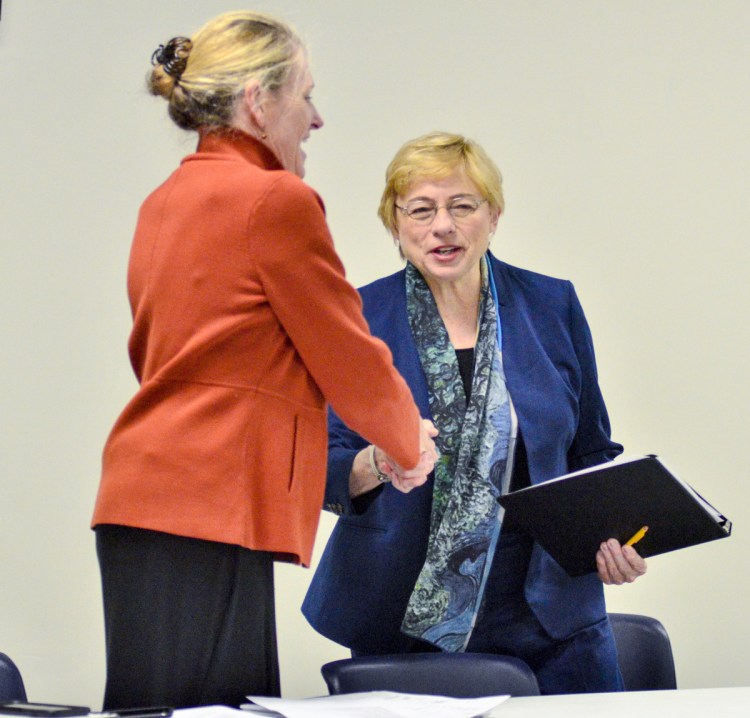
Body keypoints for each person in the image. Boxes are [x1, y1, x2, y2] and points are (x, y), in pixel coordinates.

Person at [91, 11, 436, 710]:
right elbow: (346, 350)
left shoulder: (165, 201)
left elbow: (154, 352)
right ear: (258, 101)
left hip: (158, 502)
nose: (316, 120)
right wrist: (409, 443)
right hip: (206, 505)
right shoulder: (274, 199)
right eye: (305, 96)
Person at [302, 131, 647, 695]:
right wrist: (377, 459)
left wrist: (614, 539)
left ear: (494, 215)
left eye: (463, 206)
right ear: (395, 222)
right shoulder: (359, 318)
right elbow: (319, 461)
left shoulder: (550, 304)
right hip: (401, 617)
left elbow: (590, 450)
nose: (444, 225)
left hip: (552, 615)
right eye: (421, 209)